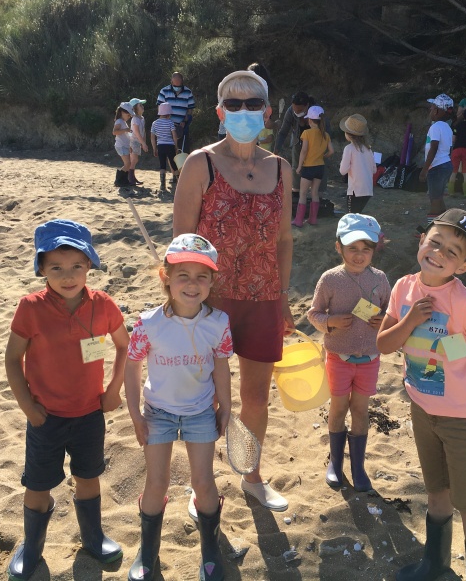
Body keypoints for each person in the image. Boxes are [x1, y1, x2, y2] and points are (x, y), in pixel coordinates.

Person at [173, 69, 294, 512]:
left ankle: (250, 475)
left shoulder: (280, 167)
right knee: (204, 396)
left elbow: (284, 240)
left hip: (263, 298)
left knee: (256, 398)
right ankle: (201, 484)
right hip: (210, 300)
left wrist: (283, 298)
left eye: (252, 103)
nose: (244, 111)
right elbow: (182, 242)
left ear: (268, 111)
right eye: (234, 104)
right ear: (220, 112)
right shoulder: (199, 164)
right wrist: (181, 302)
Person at [376, 209, 466, 581]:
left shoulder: (463, 303)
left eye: (452, 251)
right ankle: (435, 566)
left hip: (462, 417)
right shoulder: (403, 288)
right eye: (435, 242)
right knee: (436, 492)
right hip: (422, 408)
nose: (439, 253)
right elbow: (384, 344)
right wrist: (410, 320)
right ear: (422, 240)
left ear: (463, 266)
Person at [4, 219, 129, 580]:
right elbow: (12, 359)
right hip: (46, 417)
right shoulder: (31, 307)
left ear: (89, 264)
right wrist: (28, 407)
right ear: (41, 268)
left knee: (88, 478)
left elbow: (125, 345)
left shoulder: (103, 304)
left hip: (90, 413)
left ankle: (93, 537)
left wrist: (113, 389)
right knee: (37, 484)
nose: (68, 276)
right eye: (56, 267)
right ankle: (32, 546)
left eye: (76, 265)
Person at [124, 234, 232, 581]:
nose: (192, 284)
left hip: (200, 410)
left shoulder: (219, 322)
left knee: (204, 482)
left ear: (212, 281)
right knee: (157, 483)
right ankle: (148, 551)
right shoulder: (148, 323)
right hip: (158, 412)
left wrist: (226, 405)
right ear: (165, 277)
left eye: (202, 276)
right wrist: (135, 415)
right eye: (182, 275)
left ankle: (210, 549)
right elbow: (131, 366)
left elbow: (221, 365)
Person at [307, 214, 391, 491]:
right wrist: (330, 321)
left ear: (374, 250)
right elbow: (313, 313)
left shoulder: (380, 278)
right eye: (352, 248)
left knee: (360, 410)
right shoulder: (330, 279)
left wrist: (384, 320)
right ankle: (336, 462)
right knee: (339, 407)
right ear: (338, 247)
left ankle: (358, 466)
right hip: (338, 356)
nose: (359, 255)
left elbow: (391, 312)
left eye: (366, 249)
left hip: (370, 358)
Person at [273, 91, 331, 197]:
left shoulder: (317, 111)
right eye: (294, 109)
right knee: (296, 167)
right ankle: (296, 191)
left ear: (307, 106)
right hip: (299, 142)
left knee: (320, 167)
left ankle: (319, 194)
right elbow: (283, 132)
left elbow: (327, 132)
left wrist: (324, 150)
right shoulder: (290, 111)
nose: (296, 112)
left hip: (318, 145)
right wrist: (276, 150)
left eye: (299, 110)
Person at [294, 105, 334, 227]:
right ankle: (313, 219)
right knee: (315, 193)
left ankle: (298, 220)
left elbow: (304, 151)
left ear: (310, 120)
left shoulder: (307, 133)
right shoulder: (325, 135)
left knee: (302, 194)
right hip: (320, 167)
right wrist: (323, 156)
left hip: (308, 167)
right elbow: (331, 151)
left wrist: (299, 166)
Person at [418, 94, 454, 225]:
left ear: (437, 111)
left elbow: (433, 148)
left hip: (437, 167)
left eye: (432, 108)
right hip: (446, 164)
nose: (430, 110)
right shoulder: (447, 128)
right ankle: (444, 225)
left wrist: (424, 170)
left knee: (434, 199)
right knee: (439, 197)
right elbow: (450, 148)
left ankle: (431, 230)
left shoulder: (435, 127)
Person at [338, 114, 376, 214]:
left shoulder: (349, 149)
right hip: (368, 189)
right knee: (358, 214)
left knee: (352, 216)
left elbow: (343, 171)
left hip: (355, 190)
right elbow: (374, 170)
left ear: (348, 134)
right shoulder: (368, 149)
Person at [157, 71, 195, 153]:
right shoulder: (164, 91)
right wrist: (166, 121)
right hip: (167, 127)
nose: (177, 87)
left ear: (182, 82)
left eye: (179, 86)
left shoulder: (188, 92)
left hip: (182, 127)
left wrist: (185, 120)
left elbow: (190, 110)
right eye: (175, 86)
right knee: (169, 151)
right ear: (171, 81)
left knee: (183, 150)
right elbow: (160, 109)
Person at [151, 102, 180, 194]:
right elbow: (174, 135)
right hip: (170, 145)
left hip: (160, 146)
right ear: (168, 114)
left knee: (162, 165)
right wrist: (176, 146)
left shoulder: (155, 123)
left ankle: (162, 185)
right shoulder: (170, 122)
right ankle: (179, 183)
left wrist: (154, 148)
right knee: (174, 165)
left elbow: (152, 137)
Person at [128, 98, 149, 187]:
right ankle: (130, 178)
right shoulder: (135, 119)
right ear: (135, 108)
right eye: (140, 105)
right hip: (133, 141)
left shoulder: (142, 118)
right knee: (133, 160)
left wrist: (144, 142)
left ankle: (132, 177)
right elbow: (136, 132)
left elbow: (143, 131)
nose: (142, 107)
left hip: (137, 141)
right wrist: (143, 143)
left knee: (134, 160)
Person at [113, 102, 134, 187]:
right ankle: (118, 180)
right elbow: (115, 132)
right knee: (127, 163)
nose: (129, 117)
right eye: (128, 115)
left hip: (124, 145)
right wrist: (126, 130)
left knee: (128, 164)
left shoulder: (123, 122)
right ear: (122, 112)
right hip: (121, 145)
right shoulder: (119, 121)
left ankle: (124, 180)